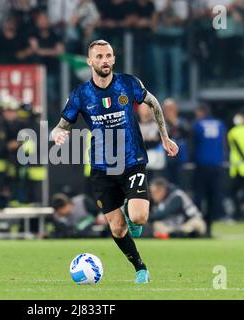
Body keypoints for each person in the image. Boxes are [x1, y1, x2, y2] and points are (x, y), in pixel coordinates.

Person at [51, 39, 179, 283]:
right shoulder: (80, 94)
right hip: (101, 168)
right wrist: (57, 133)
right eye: (99, 57)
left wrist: (165, 137)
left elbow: (153, 103)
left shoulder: (128, 83)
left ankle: (132, 212)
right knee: (117, 229)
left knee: (139, 218)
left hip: (132, 161)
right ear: (90, 61)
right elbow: (60, 125)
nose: (105, 60)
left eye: (108, 55)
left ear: (113, 58)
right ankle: (140, 267)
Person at [192, 104, 227, 237]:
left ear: (201, 112)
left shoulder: (198, 125)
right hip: (216, 166)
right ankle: (209, 228)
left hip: (201, 165)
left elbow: (193, 143)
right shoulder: (220, 124)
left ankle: (198, 228)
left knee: (198, 198)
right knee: (213, 198)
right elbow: (224, 143)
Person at [163, 98, 190, 185]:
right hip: (165, 161)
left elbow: (188, 133)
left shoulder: (182, 122)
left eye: (172, 108)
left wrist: (175, 122)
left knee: (181, 185)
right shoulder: (161, 122)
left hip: (180, 160)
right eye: (167, 109)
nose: (170, 111)